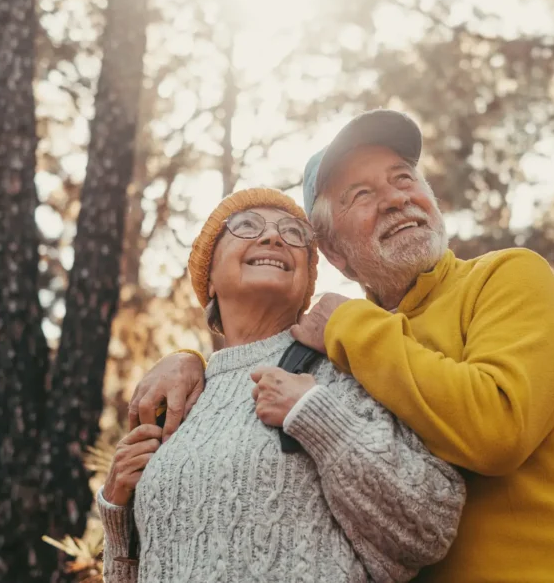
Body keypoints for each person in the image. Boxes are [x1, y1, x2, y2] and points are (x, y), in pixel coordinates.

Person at [130, 110, 554, 582]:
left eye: (404, 178)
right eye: (360, 194)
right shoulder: (338, 352)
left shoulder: (506, 278)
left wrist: (350, 325)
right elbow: (252, 362)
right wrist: (192, 362)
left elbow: (498, 428)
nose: (397, 197)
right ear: (333, 251)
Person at [98, 187, 465, 583]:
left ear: (307, 280)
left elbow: (429, 527)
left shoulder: (343, 369)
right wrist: (118, 518)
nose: (273, 238)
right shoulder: (177, 400)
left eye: (293, 233)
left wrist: (318, 417)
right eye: (246, 226)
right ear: (209, 277)